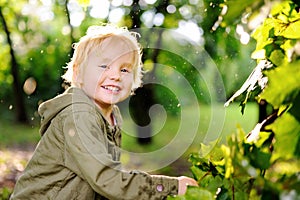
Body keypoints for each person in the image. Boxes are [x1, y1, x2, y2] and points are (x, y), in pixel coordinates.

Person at [10, 24, 198, 200]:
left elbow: (102, 183)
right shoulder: (78, 116)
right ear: (78, 73)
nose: (115, 75)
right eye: (103, 66)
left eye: (124, 69)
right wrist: (170, 187)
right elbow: (108, 180)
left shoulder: (111, 115)